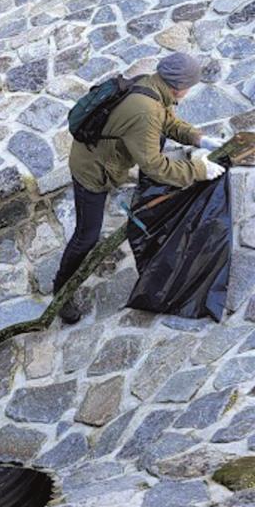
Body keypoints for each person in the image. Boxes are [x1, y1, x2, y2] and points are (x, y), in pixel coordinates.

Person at [55, 52, 226, 323]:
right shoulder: (145, 110)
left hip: (108, 154)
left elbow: (167, 122)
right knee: (87, 236)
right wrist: (198, 170)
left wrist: (199, 139)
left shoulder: (152, 85)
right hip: (92, 171)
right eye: (190, 86)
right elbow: (154, 166)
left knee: (156, 142)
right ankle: (61, 290)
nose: (189, 91)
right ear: (179, 86)